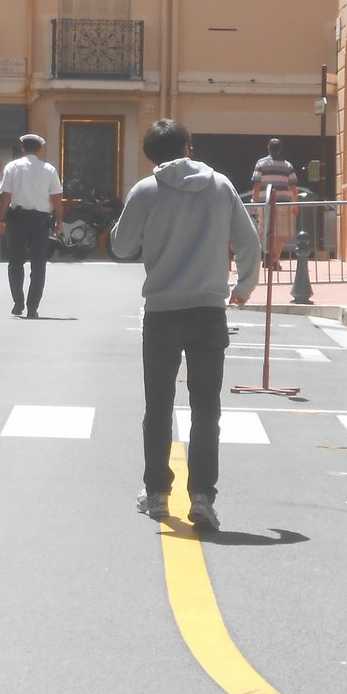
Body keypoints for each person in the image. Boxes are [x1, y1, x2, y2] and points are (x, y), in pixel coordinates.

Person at [109, 119, 261, 532]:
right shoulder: (221, 186)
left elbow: (122, 246)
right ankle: (202, 498)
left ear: (151, 155)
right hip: (209, 310)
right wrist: (243, 287)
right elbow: (249, 243)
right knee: (206, 408)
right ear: (189, 147)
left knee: (158, 406)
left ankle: (157, 494)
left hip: (161, 312)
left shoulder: (145, 190)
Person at [0, 134, 64, 318]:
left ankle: (18, 302)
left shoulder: (13, 167)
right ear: (39, 149)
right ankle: (33, 307)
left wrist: (0, 220)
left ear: (23, 148)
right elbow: (57, 197)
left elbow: (5, 196)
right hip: (40, 221)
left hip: (17, 219)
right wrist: (59, 221)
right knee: (39, 264)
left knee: (15, 261)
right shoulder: (49, 169)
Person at [251, 138, 299, 271]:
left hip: (264, 202)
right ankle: (275, 258)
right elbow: (293, 186)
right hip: (283, 202)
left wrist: (254, 201)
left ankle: (267, 252)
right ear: (281, 149)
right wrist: (295, 204)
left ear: (268, 148)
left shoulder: (260, 163)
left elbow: (257, 183)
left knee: (264, 230)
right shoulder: (287, 165)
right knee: (281, 232)